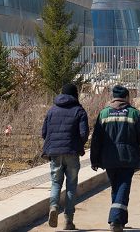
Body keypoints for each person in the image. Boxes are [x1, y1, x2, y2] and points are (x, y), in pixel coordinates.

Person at [90, 84, 140, 232]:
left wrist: (94, 159)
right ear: (126, 97)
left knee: (116, 188)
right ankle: (116, 220)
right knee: (123, 187)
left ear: (113, 97)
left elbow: (96, 139)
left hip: (108, 158)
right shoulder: (134, 114)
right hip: (128, 158)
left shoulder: (104, 114)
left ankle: (119, 220)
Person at [41, 83, 89, 230]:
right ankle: (68, 220)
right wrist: (78, 144)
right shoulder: (79, 110)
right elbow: (84, 133)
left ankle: (54, 207)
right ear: (75, 94)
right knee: (71, 185)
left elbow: (44, 133)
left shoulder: (52, 110)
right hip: (72, 153)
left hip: (55, 153)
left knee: (56, 183)